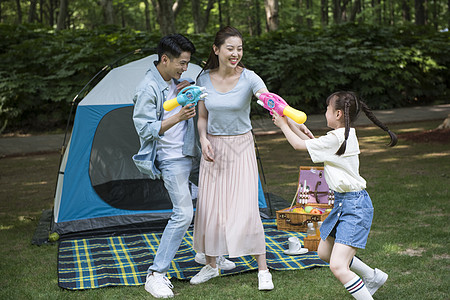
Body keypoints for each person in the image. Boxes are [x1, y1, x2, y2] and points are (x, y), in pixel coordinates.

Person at [190, 26, 313, 291]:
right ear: (216, 49)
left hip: (241, 147)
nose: (236, 54)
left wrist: (294, 123)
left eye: (240, 48)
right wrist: (203, 140)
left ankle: (263, 269)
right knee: (211, 208)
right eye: (230, 48)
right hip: (213, 148)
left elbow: (273, 104)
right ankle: (211, 264)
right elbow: (202, 117)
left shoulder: (250, 78)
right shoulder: (202, 80)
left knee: (246, 208)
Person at [272, 91, 397, 299]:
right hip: (343, 203)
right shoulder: (344, 135)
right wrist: (294, 125)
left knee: (338, 267)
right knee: (324, 252)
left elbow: (298, 145)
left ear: (338, 114)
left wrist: (283, 125)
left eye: (327, 109)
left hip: (354, 206)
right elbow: (313, 143)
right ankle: (372, 277)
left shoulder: (336, 138)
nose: (325, 112)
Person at [132, 34, 200, 298]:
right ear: (165, 59)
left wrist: (186, 91)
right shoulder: (147, 87)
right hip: (171, 159)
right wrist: (178, 115)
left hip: (191, 154)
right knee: (183, 213)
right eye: (182, 63)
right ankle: (156, 274)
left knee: (213, 196)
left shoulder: (175, 82)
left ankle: (208, 256)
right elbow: (145, 129)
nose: (185, 68)